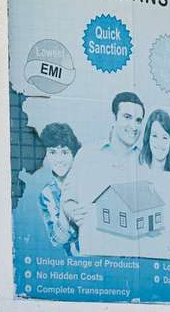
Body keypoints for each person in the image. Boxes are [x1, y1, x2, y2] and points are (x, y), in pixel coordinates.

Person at [61, 91, 145, 256]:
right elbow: (67, 199)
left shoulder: (146, 162)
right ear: (113, 119)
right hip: (93, 257)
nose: (133, 126)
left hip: (132, 261)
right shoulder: (87, 155)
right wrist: (73, 212)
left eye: (138, 120)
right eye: (127, 117)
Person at [38, 123, 81, 255]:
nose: (58, 159)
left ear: (73, 154)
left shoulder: (85, 181)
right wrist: (63, 206)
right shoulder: (47, 194)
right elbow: (57, 240)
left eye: (64, 152)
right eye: (52, 152)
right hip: (74, 263)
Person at [138, 108, 170, 223]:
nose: (159, 143)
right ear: (147, 138)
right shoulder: (139, 171)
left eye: (164, 137)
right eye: (154, 136)